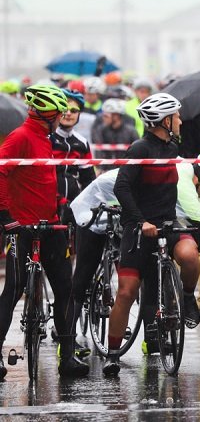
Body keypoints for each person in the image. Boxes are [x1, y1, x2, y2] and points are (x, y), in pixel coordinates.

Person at [103, 93, 200, 376]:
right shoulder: (139, 149)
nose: (180, 120)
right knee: (126, 292)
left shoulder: (172, 147)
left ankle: (187, 297)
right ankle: (113, 353)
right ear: (164, 121)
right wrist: (140, 220)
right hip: (139, 227)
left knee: (190, 256)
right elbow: (121, 188)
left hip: (168, 224)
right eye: (176, 116)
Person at [0, 85, 86, 379]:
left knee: (65, 289)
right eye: (59, 112)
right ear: (48, 114)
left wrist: (62, 206)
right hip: (20, 227)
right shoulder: (21, 136)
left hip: (49, 224)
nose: (63, 117)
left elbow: (43, 180)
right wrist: (5, 214)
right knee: (13, 289)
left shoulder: (46, 138)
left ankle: (68, 357)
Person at [50, 89, 96, 221]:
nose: (69, 113)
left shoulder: (82, 142)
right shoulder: (48, 138)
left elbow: (88, 179)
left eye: (74, 110)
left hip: (74, 203)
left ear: (79, 114)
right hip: (48, 201)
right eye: (65, 109)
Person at [92, 98, 139, 168]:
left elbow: (137, 153)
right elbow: (99, 152)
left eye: (106, 116)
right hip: (106, 170)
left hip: (126, 169)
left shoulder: (131, 131)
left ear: (116, 116)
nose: (103, 118)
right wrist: (100, 168)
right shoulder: (102, 130)